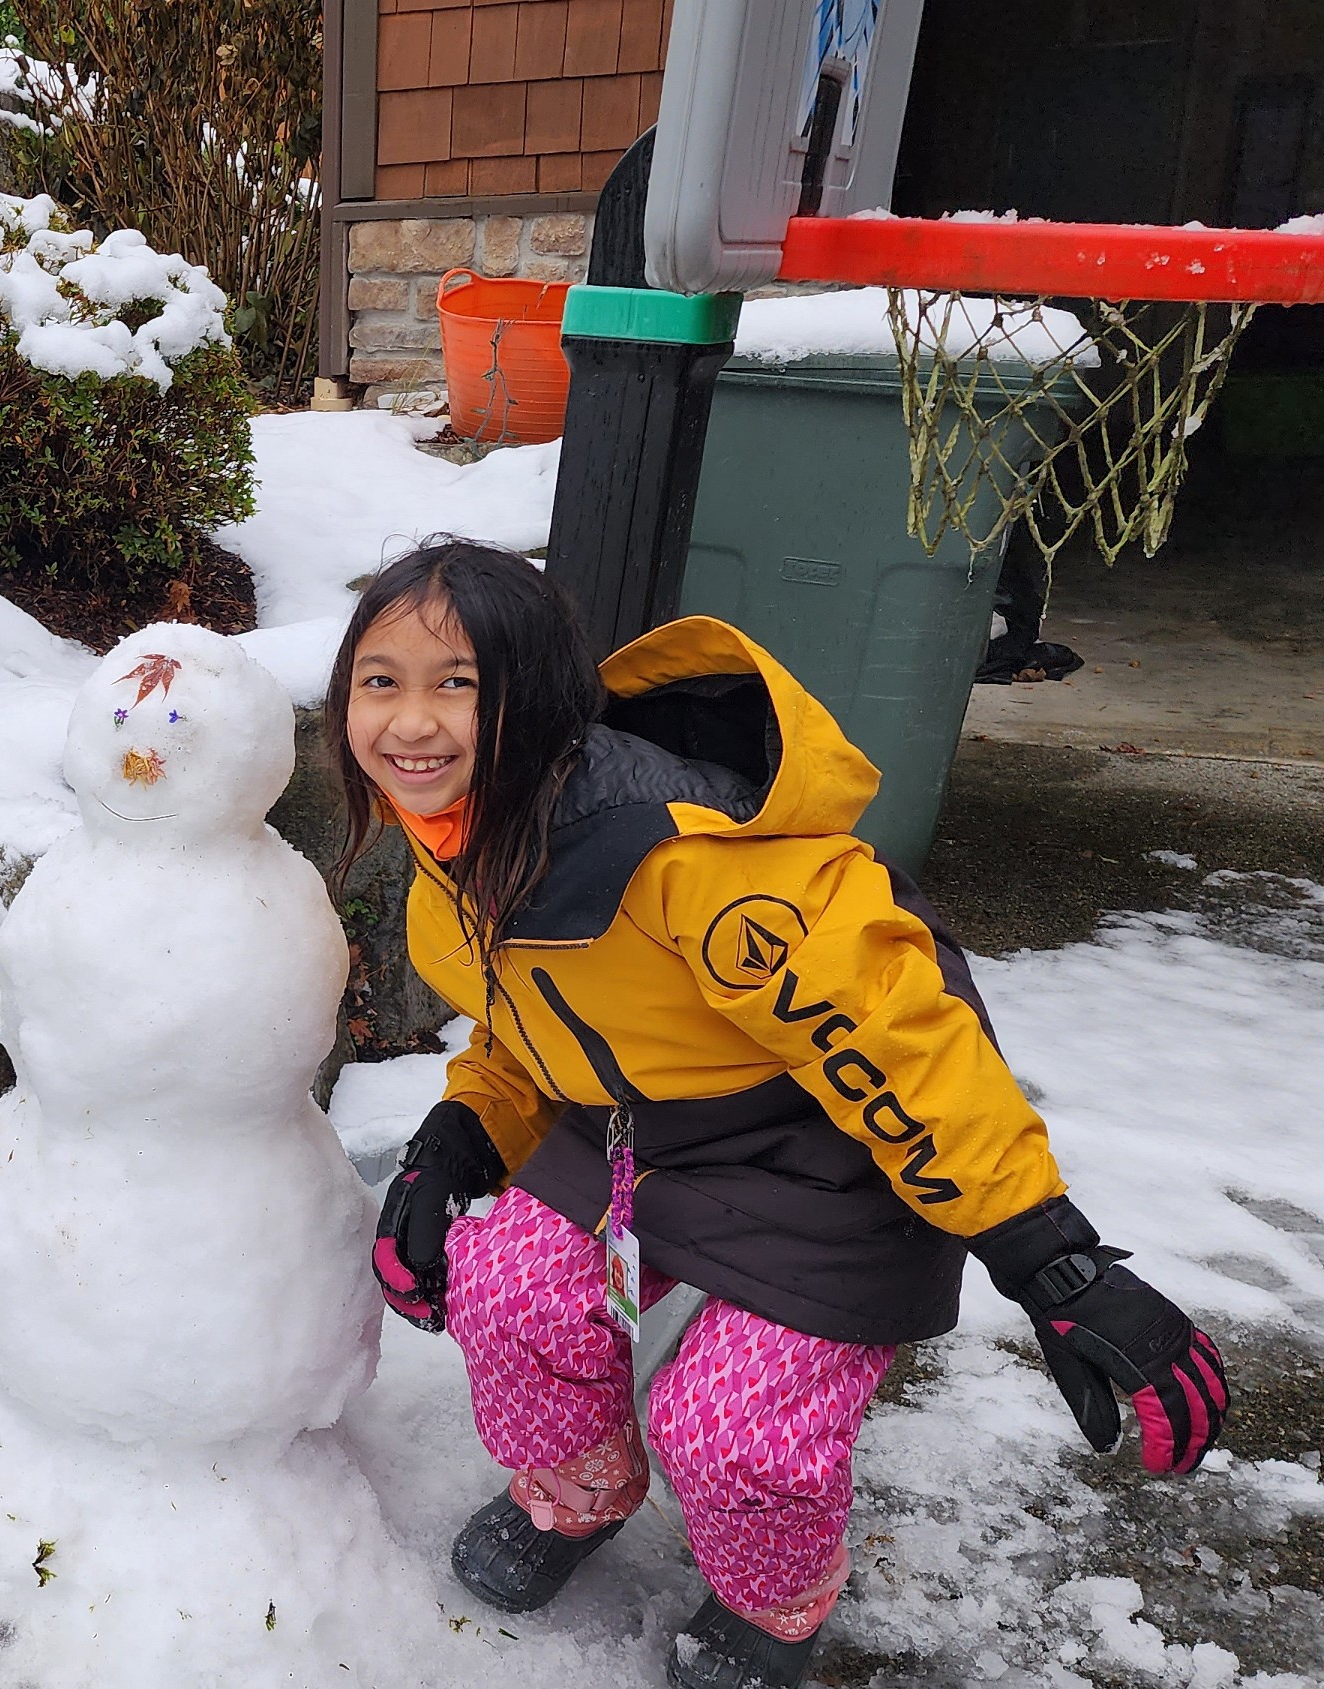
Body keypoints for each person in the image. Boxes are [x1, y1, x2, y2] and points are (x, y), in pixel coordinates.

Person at [337, 541, 1227, 1689]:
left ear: (545, 701)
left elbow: (898, 1044)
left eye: (459, 683)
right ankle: (582, 1488)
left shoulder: (697, 865)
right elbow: (536, 1028)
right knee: (508, 1291)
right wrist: (458, 1142)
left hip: (827, 1154)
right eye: (380, 680)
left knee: (733, 1430)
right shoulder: (455, 853)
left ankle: (775, 1599)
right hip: (634, 1134)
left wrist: (1049, 1258)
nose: (412, 721)